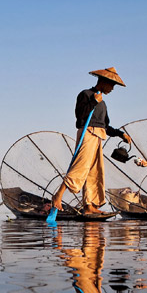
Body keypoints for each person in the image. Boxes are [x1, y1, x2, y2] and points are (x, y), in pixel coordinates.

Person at [51, 67, 131, 215]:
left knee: (94, 172)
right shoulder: (86, 94)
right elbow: (80, 115)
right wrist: (93, 101)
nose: (112, 89)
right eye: (111, 85)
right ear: (103, 82)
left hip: (99, 135)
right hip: (87, 133)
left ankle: (89, 205)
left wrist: (120, 134)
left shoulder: (103, 104)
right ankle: (58, 195)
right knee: (80, 167)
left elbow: (105, 126)